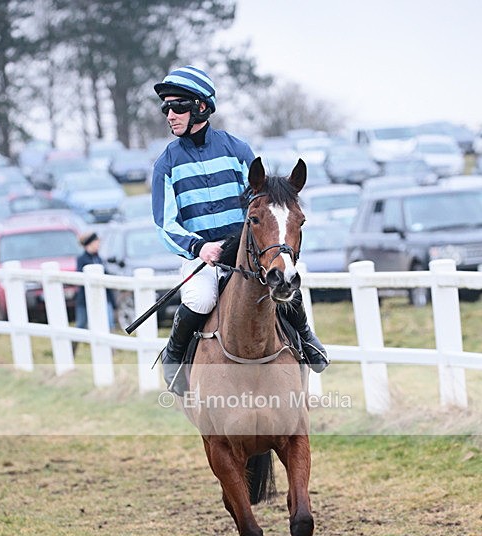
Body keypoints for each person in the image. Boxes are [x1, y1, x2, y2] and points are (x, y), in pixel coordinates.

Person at [151, 65, 328, 391]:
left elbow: (262, 202)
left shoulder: (238, 150)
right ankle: (174, 357)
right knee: (201, 299)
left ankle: (305, 336)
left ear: (200, 107)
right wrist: (198, 247)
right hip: (202, 256)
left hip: (245, 248)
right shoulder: (166, 163)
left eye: (177, 107)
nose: (170, 115)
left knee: (281, 280)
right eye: (166, 109)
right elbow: (164, 224)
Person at [75, 232, 117, 337]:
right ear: (90, 243)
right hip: (85, 299)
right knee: (81, 324)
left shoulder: (98, 258)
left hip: (104, 297)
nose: (98, 244)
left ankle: (110, 346)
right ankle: (72, 346)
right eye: (97, 242)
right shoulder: (82, 259)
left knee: (109, 324)